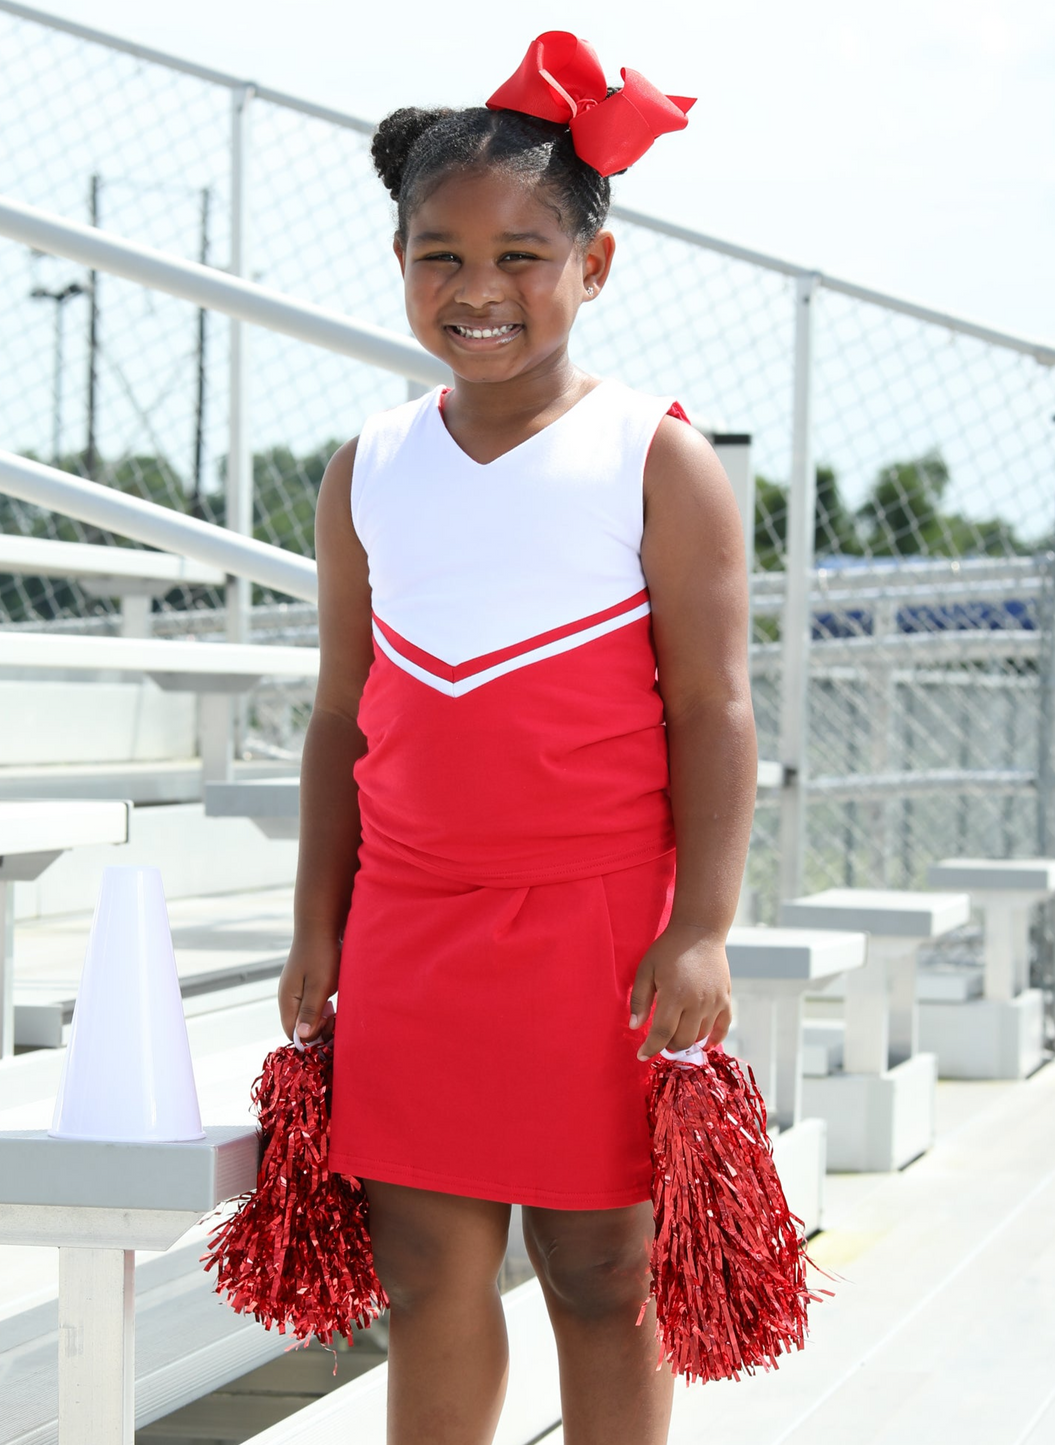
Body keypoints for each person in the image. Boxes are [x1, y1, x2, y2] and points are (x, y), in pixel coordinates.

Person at [277, 32, 757, 1445]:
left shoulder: (654, 454)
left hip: (602, 929)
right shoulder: (369, 464)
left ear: (593, 268)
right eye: (442, 257)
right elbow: (336, 713)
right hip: (414, 922)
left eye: (522, 256)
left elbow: (715, 710)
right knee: (429, 1283)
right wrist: (320, 921)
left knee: (604, 1278)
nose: (480, 291)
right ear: (401, 262)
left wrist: (705, 926)